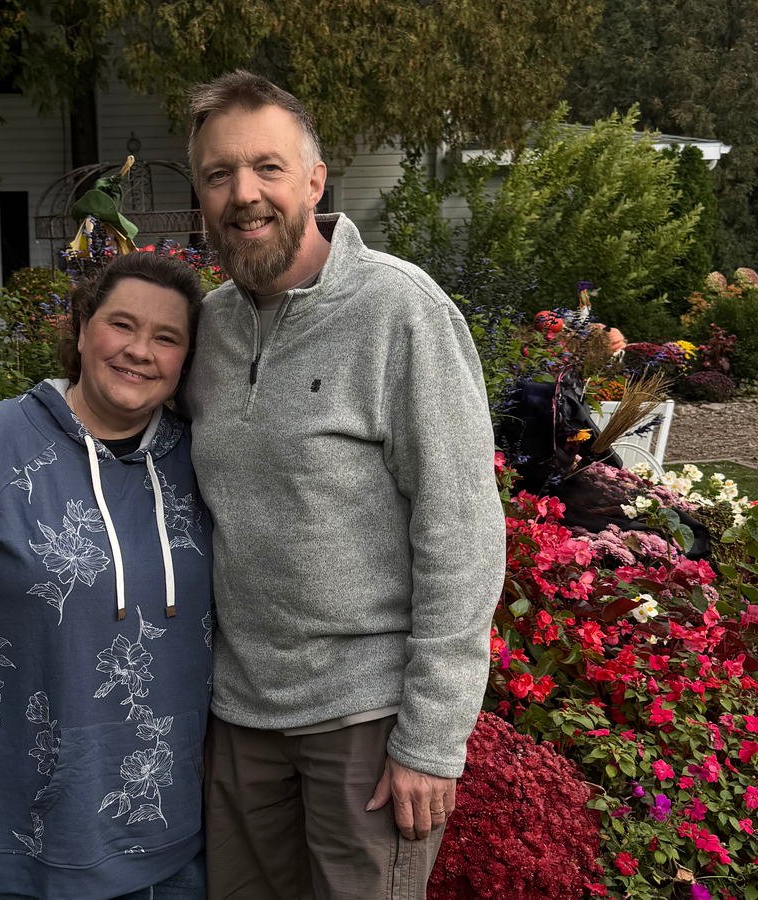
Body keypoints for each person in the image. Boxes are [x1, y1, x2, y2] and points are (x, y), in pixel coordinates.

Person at [180, 70, 506, 900]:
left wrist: (432, 739)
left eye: (268, 167)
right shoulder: (206, 329)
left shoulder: (401, 312)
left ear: (315, 181)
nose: (243, 194)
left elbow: (462, 533)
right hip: (239, 722)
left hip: (364, 725)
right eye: (219, 174)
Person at [0, 252, 214, 900]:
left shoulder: (201, 462)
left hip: (171, 838)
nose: (140, 350)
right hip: (14, 837)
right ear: (81, 328)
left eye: (166, 337)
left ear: (186, 360)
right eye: (122, 324)